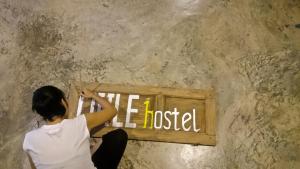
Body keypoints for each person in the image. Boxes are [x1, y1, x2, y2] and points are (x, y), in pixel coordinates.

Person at [23, 85, 128, 169]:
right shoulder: (81, 123)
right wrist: (92, 95)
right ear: (63, 102)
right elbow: (112, 111)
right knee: (119, 136)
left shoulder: (29, 139)